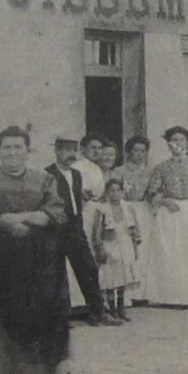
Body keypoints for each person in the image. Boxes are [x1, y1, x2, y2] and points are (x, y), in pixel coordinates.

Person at [0, 126, 70, 374]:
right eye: (6, 148)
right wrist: (1, 223)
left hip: (32, 263)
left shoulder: (43, 179)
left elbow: (56, 212)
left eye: (18, 147)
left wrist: (18, 218)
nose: (12, 153)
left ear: (28, 151)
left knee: (26, 319)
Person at [143, 126, 188, 307]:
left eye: (181, 140)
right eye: (173, 140)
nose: (177, 144)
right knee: (170, 253)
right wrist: (165, 201)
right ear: (169, 144)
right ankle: (169, 297)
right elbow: (151, 193)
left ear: (187, 143)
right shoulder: (162, 167)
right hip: (169, 213)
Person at [45, 136, 113, 326]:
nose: (70, 155)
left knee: (88, 268)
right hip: (56, 230)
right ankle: (60, 317)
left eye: (73, 150)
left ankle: (98, 312)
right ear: (57, 151)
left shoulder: (76, 174)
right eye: (66, 150)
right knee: (57, 272)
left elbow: (77, 201)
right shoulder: (47, 174)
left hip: (75, 227)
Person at [90, 178, 140, 322]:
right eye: (112, 190)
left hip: (125, 243)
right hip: (110, 245)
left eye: (118, 190)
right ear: (107, 192)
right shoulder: (102, 209)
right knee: (111, 277)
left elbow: (135, 230)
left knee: (123, 276)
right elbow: (97, 231)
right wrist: (100, 248)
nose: (115, 193)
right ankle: (111, 309)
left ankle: (121, 307)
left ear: (122, 192)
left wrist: (135, 247)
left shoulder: (128, 208)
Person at [117, 136, 155, 303]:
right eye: (135, 151)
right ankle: (128, 295)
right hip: (127, 209)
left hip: (144, 209)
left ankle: (144, 294)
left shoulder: (151, 170)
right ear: (128, 152)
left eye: (142, 151)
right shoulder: (120, 171)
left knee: (145, 249)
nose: (139, 154)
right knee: (129, 249)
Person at [74, 134, 107, 203]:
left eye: (99, 148)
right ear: (83, 149)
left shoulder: (96, 168)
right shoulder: (76, 166)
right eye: (93, 147)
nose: (97, 151)